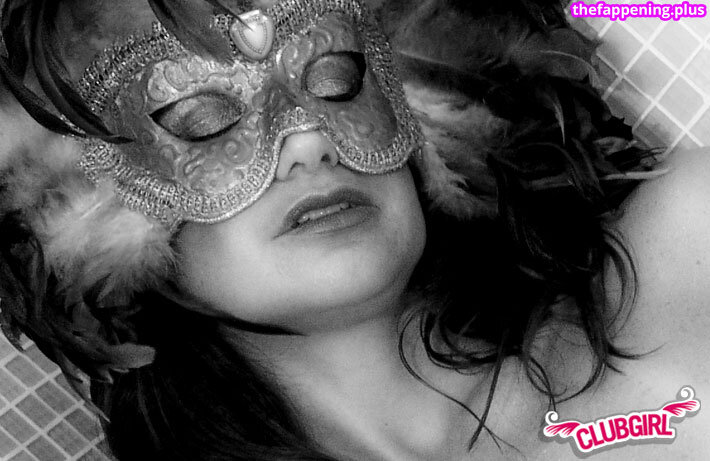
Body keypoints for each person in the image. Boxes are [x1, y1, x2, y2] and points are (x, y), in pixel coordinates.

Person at [0, 0, 708, 459]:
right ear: (82, 213)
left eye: (336, 77)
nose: (310, 143)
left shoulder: (687, 242)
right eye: (201, 119)